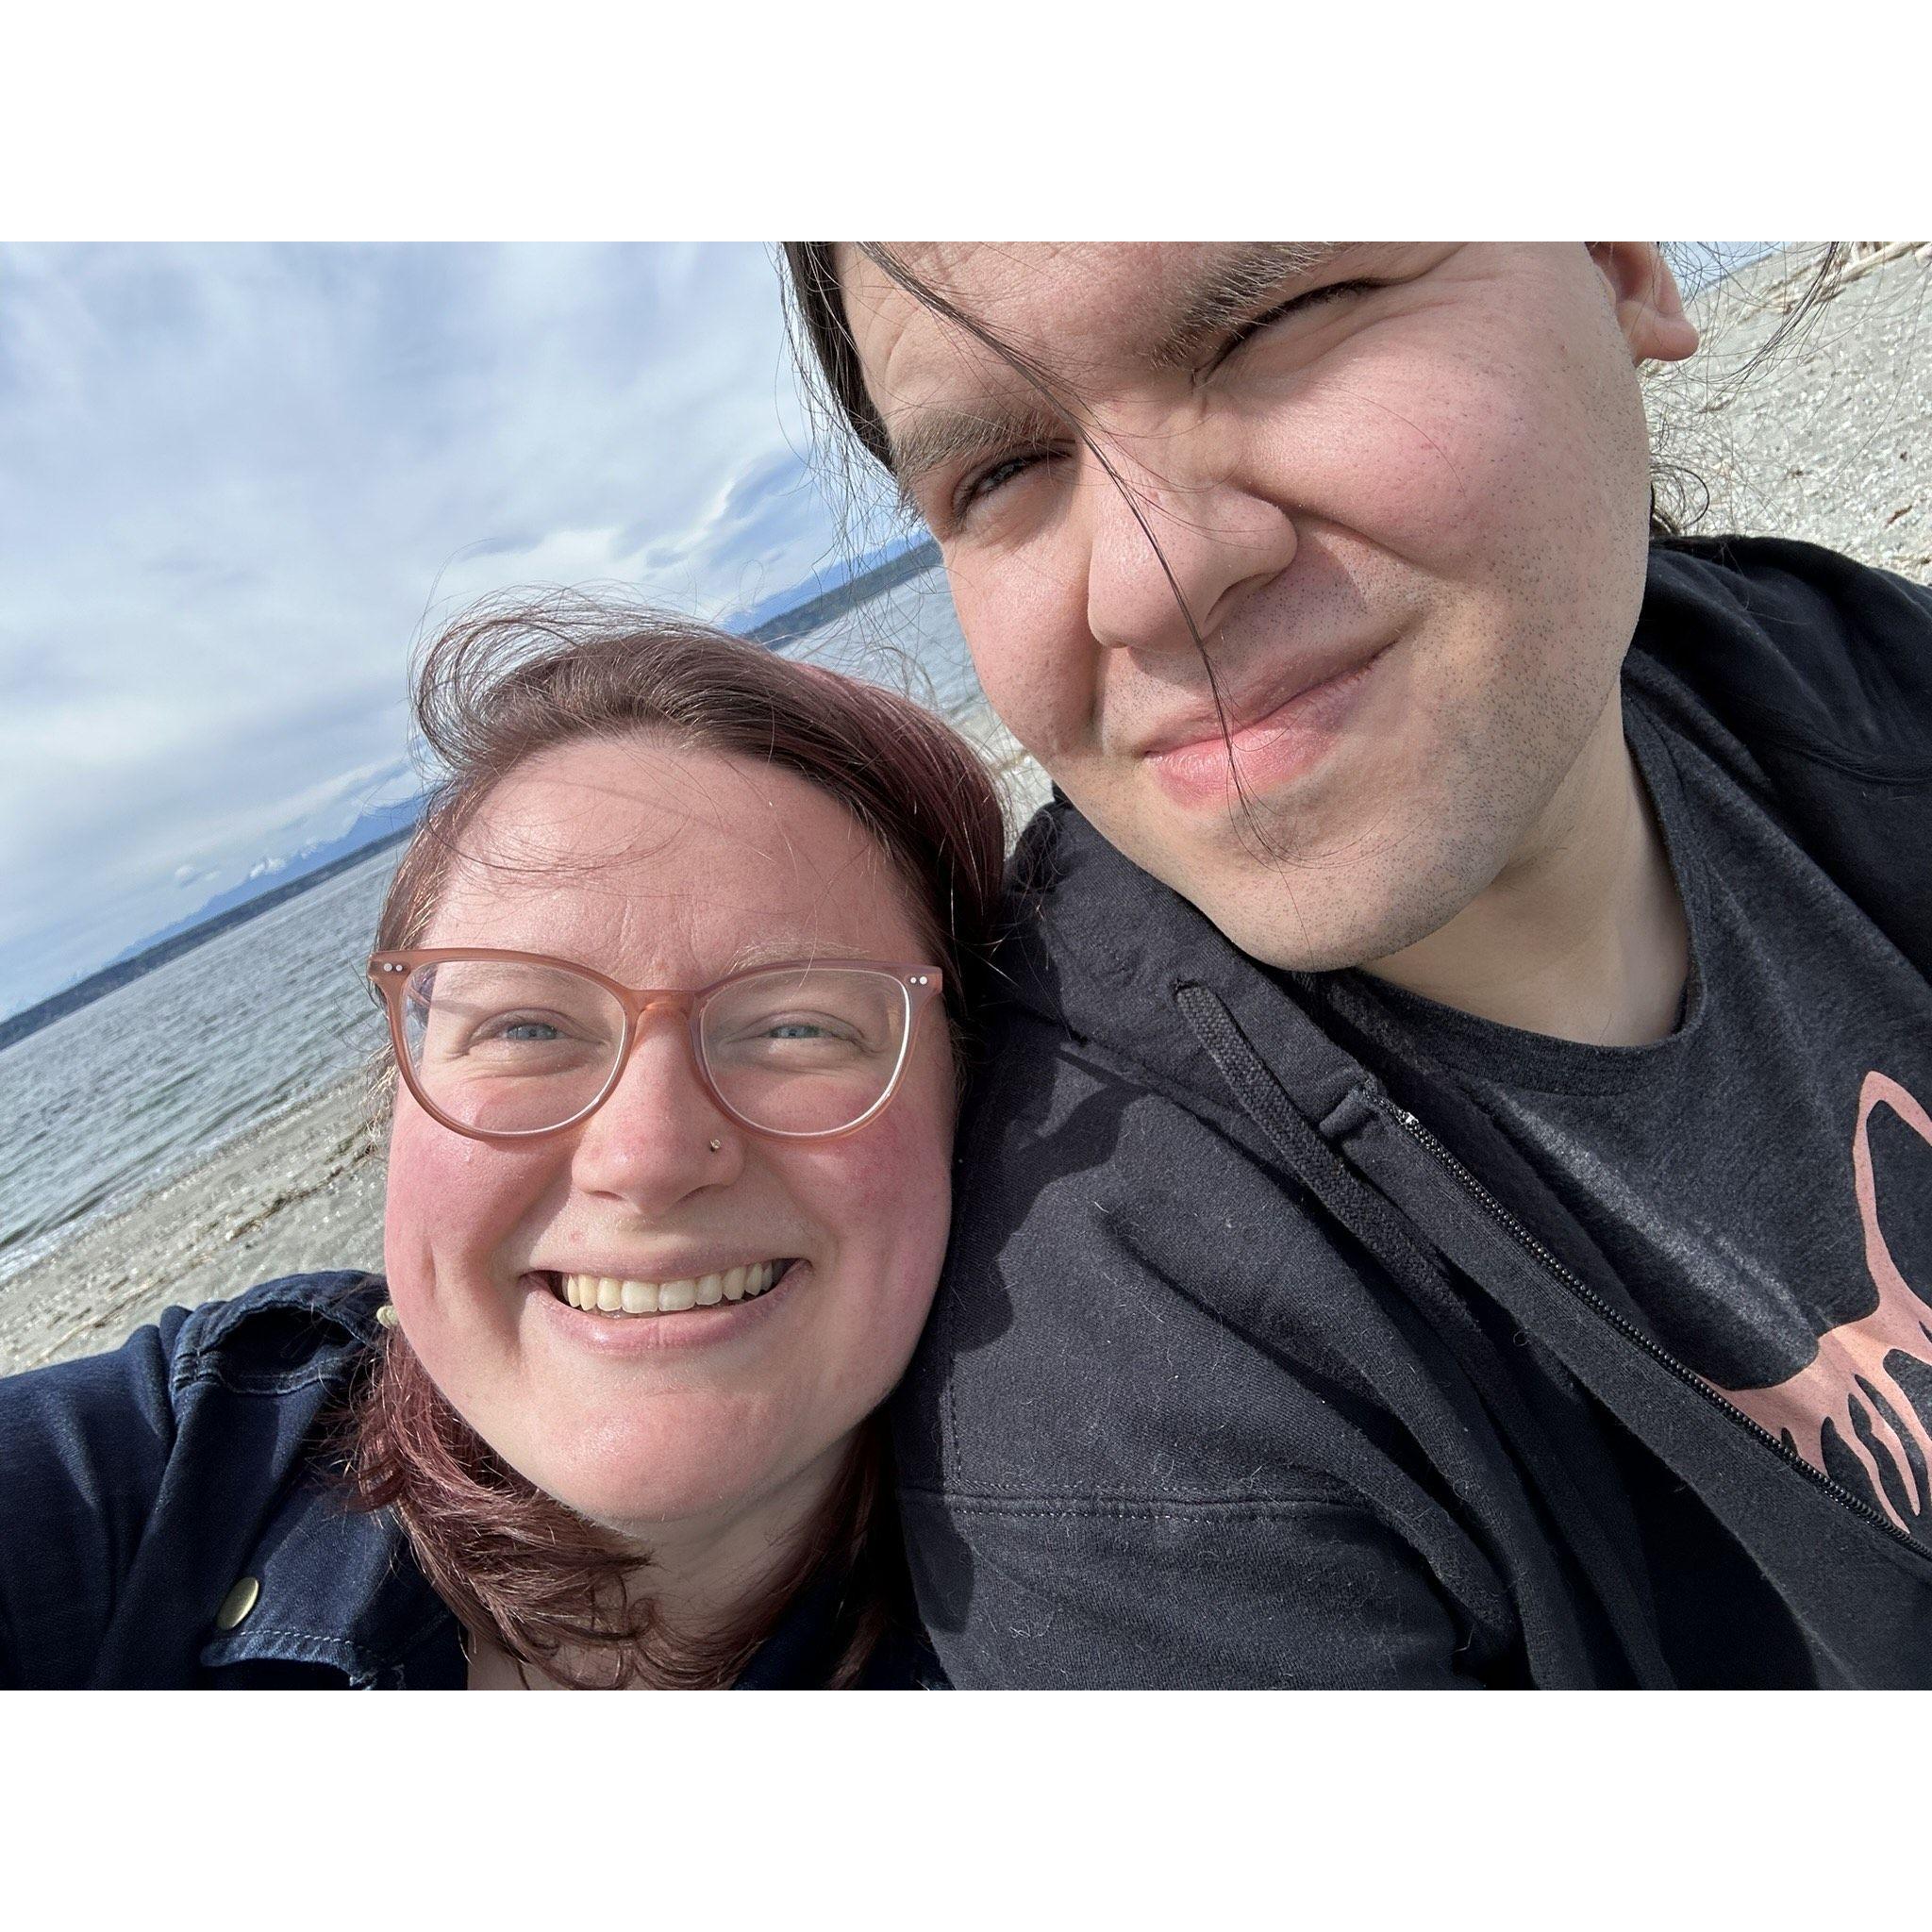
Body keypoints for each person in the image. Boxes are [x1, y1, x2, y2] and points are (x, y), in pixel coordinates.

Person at [784, 242, 1932, 1687]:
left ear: (1620, 263)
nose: (1153, 583)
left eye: (1283, 316)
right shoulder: (1138, 1421)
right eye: (1004, 470)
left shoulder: (1842, 679)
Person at [0, 593, 1005, 1688]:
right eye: (524, 1026)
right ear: (399, 1096)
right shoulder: (165, 1467)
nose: (647, 1156)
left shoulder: (1146, 1597)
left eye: (797, 1025)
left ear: (968, 1089)